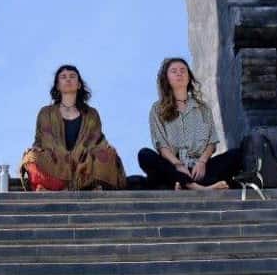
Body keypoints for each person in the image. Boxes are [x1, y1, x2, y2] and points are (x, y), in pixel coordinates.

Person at [138, 57, 242, 190]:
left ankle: (185, 184)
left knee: (236, 155)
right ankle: (197, 187)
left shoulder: (203, 108)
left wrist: (202, 162)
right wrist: (178, 165)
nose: (179, 73)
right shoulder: (157, 109)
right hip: (173, 167)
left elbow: (212, 142)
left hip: (201, 168)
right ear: (167, 79)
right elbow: (161, 146)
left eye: (183, 70)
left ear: (189, 77)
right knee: (145, 155)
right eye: (174, 71)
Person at [20, 64, 127, 190]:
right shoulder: (45, 113)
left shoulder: (91, 114)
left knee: (108, 154)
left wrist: (104, 148)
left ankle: (81, 186)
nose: (68, 79)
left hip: (83, 163)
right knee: (31, 157)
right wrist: (35, 150)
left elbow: (97, 141)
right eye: (63, 77)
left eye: (72, 76)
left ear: (79, 84)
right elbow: (40, 140)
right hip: (56, 162)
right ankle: (59, 187)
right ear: (58, 85)